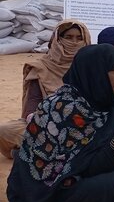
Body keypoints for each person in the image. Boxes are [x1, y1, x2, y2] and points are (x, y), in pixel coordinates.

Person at [6, 44, 114, 202]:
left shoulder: (109, 101)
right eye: (113, 70)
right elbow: (92, 167)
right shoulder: (64, 109)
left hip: (88, 167)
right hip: (49, 189)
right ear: (95, 73)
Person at [0, 20, 91, 159]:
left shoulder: (92, 66)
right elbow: (31, 107)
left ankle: (35, 155)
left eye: (79, 38)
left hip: (84, 126)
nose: (74, 42)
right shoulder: (41, 67)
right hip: (45, 125)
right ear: (57, 39)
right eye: (68, 37)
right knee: (5, 130)